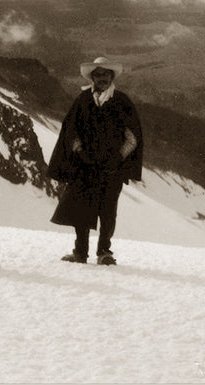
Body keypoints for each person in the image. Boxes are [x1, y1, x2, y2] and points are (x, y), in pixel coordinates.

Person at [48, 56, 144, 265]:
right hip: (85, 167)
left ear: (112, 76)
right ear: (93, 78)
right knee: (82, 209)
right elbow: (70, 131)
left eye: (105, 74)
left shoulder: (122, 101)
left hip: (112, 169)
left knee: (108, 211)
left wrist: (118, 158)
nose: (102, 78)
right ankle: (80, 252)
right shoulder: (82, 100)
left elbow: (132, 137)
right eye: (98, 74)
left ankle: (104, 252)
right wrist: (80, 151)